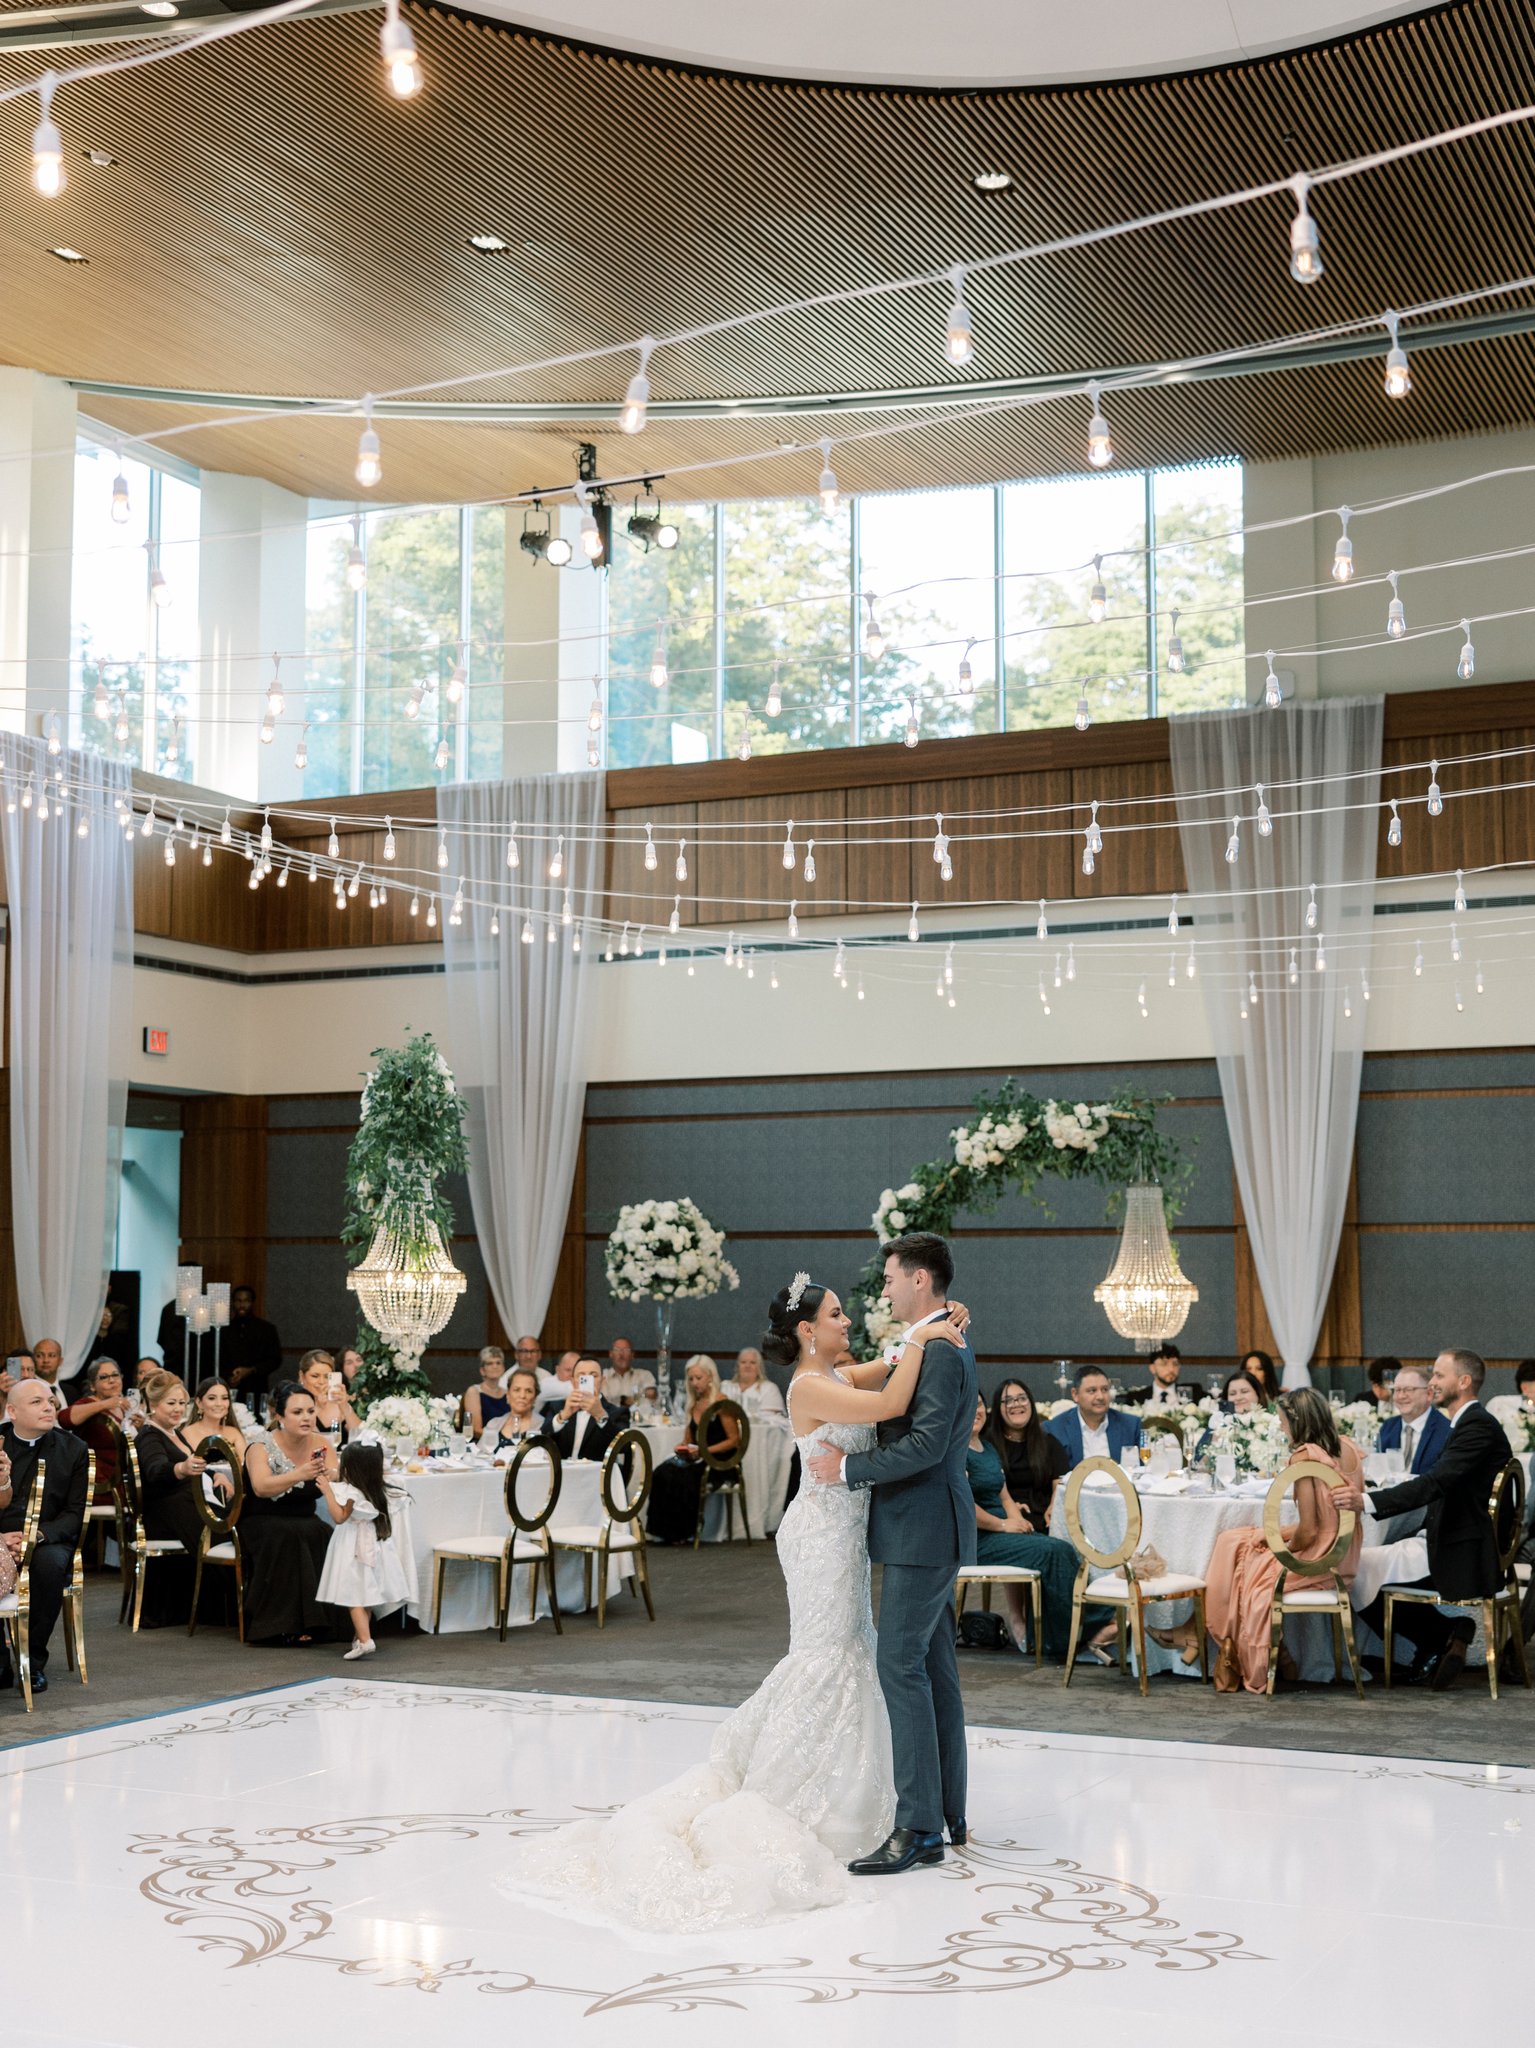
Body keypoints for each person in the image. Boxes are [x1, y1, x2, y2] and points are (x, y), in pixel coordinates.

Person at [501, 1269, 962, 1929]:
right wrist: (928, 1330)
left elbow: (886, 1369)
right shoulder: (807, 1386)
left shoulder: (832, 1376)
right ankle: (793, 1786)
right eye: (835, 1315)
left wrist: (919, 1337)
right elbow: (891, 1404)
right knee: (826, 1654)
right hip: (818, 1540)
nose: (845, 1322)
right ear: (807, 1330)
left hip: (841, 1537)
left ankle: (865, 1789)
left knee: (851, 1648)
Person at [809, 1231, 977, 1877]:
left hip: (921, 1527)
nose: (879, 1290)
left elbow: (928, 1444)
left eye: (888, 1278)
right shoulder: (930, 1340)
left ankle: (917, 1829)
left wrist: (849, 1467)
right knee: (933, 1672)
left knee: (899, 1666)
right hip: (925, 1525)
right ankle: (948, 1812)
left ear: (919, 1281)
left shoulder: (938, 1348)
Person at [1341, 1348, 1513, 1689]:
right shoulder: (1467, 1423)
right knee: (1364, 1563)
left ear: (1463, 1382)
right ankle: (1440, 1639)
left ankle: (1439, 1637)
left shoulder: (1476, 1425)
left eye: (1438, 1375)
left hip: (1465, 1550)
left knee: (1352, 1569)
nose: (1431, 1382)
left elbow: (1435, 1482)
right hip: (1457, 1536)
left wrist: (1365, 1501)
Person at [1185, 1388, 1364, 1692]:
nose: (1281, 1428)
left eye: (1283, 1422)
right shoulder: (1348, 1447)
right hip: (1344, 1554)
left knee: (1248, 1567)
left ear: (1298, 1422)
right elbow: (1326, 1521)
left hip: (1319, 1559)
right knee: (1237, 1540)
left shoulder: (1304, 1457)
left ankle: (1244, 1653)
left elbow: (1307, 1532)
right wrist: (1270, 1538)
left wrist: (1278, 1549)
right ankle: (1215, 1639)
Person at [966, 1393, 1116, 1663]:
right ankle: (1085, 1626)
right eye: (965, 1404)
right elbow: (964, 1506)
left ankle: (1060, 1632)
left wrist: (1018, 1521)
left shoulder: (986, 1448)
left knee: (1059, 1547)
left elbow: (1004, 1496)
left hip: (1002, 1531)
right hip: (978, 1538)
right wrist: (1003, 1525)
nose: (974, 1411)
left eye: (977, 1404)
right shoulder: (955, 1451)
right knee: (1053, 1552)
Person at [0, 1378, 89, 1691]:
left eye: (50, 1401)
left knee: (49, 1567)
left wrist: (36, 1535)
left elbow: (75, 1514)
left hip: (47, 1538)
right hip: (0, 1538)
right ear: (12, 1411)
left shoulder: (74, 1449)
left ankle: (32, 1660)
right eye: (36, 1402)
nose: (48, 1407)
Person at [240, 1381, 345, 1644]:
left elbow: (336, 1477)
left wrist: (332, 1475)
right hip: (262, 1519)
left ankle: (327, 1623)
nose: (307, 1418)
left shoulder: (321, 1443)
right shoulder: (260, 1446)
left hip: (305, 1518)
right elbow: (261, 1487)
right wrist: (299, 1474)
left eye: (310, 1411)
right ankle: (279, 1626)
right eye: (297, 1412)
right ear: (279, 1416)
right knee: (287, 1536)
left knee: (326, 1534)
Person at [132, 1371, 235, 1627]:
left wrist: (213, 1475)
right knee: (218, 1522)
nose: (178, 1409)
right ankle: (231, 1602)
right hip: (163, 1514)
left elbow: (193, 1461)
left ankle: (229, 1600)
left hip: (178, 1507)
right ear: (154, 1405)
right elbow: (156, 1470)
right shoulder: (149, 1435)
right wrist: (181, 1469)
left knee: (230, 1510)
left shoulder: (173, 1432)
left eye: (181, 1403)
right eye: (171, 1403)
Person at [315, 1441, 414, 1660]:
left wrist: (327, 1492)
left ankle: (366, 1641)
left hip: (353, 1545)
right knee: (367, 1593)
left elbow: (340, 1517)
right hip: (375, 1544)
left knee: (353, 1596)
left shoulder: (351, 1493)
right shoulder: (379, 1489)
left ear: (351, 1468)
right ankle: (361, 1636)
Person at [646, 1355, 738, 1542]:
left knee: (682, 1477)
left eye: (699, 1378)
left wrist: (705, 1451)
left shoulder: (722, 1402)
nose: (695, 1383)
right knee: (661, 1472)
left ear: (710, 1377)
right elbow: (688, 1438)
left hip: (720, 1462)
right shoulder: (693, 1404)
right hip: (698, 1458)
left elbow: (734, 1440)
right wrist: (682, 1447)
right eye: (691, 1379)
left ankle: (682, 1532)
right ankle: (662, 1532)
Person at [985, 1379, 1069, 1530]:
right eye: (1008, 1401)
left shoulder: (1048, 1442)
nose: (1017, 1404)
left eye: (1022, 1398)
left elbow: (1060, 1481)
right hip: (1005, 1518)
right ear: (998, 1408)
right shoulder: (987, 1445)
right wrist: (1008, 1508)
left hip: (1046, 1516)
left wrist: (1054, 1507)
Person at [60, 1358, 131, 1507]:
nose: (112, 1380)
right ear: (92, 1385)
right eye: (104, 1377)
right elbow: (64, 1418)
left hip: (123, 1480)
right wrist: (104, 1404)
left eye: (115, 1375)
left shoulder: (125, 1406)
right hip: (98, 1485)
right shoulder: (88, 1403)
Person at [1046, 1365, 1141, 1467]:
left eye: (1104, 1389)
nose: (1100, 1397)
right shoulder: (1055, 1429)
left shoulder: (1130, 1425)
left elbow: (1140, 1471)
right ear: (1075, 1395)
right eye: (1092, 1390)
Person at [541, 1360, 624, 1465]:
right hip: (561, 1474)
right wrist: (562, 1417)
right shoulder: (558, 1407)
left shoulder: (616, 1412)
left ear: (602, 1381)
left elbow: (623, 1447)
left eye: (594, 1376)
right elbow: (543, 1438)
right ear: (573, 1381)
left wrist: (601, 1415)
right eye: (582, 1376)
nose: (588, 1380)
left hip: (596, 1476)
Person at [1377, 1364, 1449, 1476]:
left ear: (1429, 1394)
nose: (1401, 1396)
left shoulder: (1446, 1431)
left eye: (1408, 1390)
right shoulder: (1388, 1427)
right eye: (1397, 1390)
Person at [223, 1287, 284, 1407]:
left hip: (256, 1389)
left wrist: (251, 1370)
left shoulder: (266, 1329)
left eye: (246, 1301)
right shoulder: (224, 1330)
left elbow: (275, 1359)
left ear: (252, 1303)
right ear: (233, 1303)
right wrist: (228, 1376)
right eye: (238, 1301)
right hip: (227, 1388)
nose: (242, 1305)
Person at [478, 1369, 545, 1455]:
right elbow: (479, 1458)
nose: (522, 1396)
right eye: (517, 1390)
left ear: (535, 1397)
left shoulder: (543, 1426)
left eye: (528, 1391)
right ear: (508, 1395)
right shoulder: (493, 1424)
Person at [297, 1349, 359, 1443]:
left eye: (326, 1376)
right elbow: (305, 1443)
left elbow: (362, 1437)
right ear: (302, 1376)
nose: (321, 1382)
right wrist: (315, 1410)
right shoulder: (294, 1405)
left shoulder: (339, 1403)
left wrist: (344, 1406)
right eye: (315, 1376)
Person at [1121, 1342, 1203, 1409]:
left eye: (1175, 1364)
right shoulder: (1136, 1398)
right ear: (1152, 1368)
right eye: (1164, 1364)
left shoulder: (1194, 1393)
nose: (1171, 1369)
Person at [185, 1378, 248, 1466]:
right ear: (199, 1402)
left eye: (224, 1398)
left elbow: (245, 1469)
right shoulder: (187, 1433)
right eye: (212, 1398)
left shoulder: (234, 1433)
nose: (219, 1403)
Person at [723, 1347, 787, 1421]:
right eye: (743, 1362)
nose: (747, 1366)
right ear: (738, 1366)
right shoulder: (725, 1387)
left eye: (752, 1362)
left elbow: (771, 1418)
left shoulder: (770, 1389)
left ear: (759, 1367)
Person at [461, 1347, 511, 1438]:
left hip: (506, 1442)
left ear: (503, 1368)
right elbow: (476, 1430)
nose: (495, 1366)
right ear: (482, 1370)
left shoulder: (508, 1393)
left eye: (498, 1363)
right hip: (482, 1444)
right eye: (490, 1363)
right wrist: (500, 1438)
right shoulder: (474, 1391)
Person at [603, 1335, 657, 1408]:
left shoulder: (644, 1375)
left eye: (626, 1350)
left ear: (632, 1355)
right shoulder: (601, 1376)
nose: (621, 1354)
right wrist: (634, 1399)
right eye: (617, 1350)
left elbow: (651, 1396)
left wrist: (623, 1400)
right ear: (610, 1354)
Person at [537, 1351, 581, 1417]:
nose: (573, 1374)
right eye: (568, 1370)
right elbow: (581, 1391)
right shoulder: (546, 1384)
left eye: (577, 1370)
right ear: (557, 1370)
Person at [28, 1337, 66, 1413]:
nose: (46, 1360)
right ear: (33, 1359)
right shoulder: (27, 1389)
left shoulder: (72, 1391)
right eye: (39, 1356)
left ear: (60, 1361)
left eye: (52, 1355)